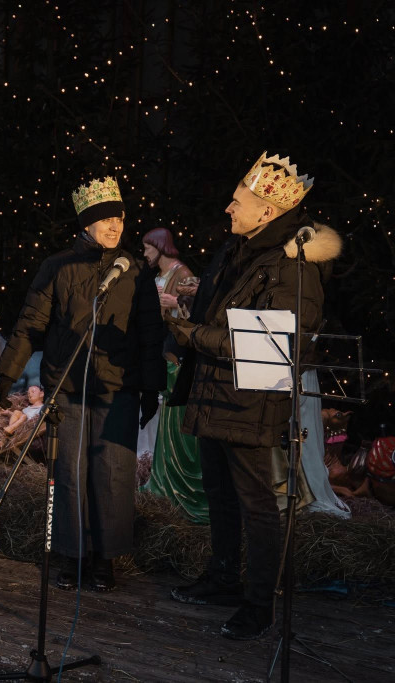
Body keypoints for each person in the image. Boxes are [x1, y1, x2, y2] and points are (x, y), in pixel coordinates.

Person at [167, 152, 340, 640]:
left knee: (256, 504)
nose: (227, 207)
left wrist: (193, 336)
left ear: (267, 211)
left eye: (237, 201)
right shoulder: (236, 251)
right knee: (219, 494)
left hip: (249, 399)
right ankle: (223, 579)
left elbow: (280, 343)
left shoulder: (291, 263)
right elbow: (218, 313)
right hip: (215, 391)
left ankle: (259, 604)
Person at [0, 176, 165, 592]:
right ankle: (73, 555)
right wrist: (7, 374)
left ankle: (106, 559)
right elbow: (31, 322)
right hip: (67, 388)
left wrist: (150, 387)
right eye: (104, 219)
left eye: (119, 218)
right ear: (86, 225)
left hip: (117, 389)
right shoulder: (57, 267)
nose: (114, 226)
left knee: (112, 474)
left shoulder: (135, 271)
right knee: (68, 473)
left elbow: (149, 331)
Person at [139, 228, 207, 523]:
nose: (144, 254)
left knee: (176, 414)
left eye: (146, 248)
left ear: (159, 245)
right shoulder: (158, 276)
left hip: (176, 354)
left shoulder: (183, 275)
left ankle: (181, 482)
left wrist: (174, 306)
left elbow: (195, 318)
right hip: (160, 351)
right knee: (165, 414)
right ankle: (164, 479)